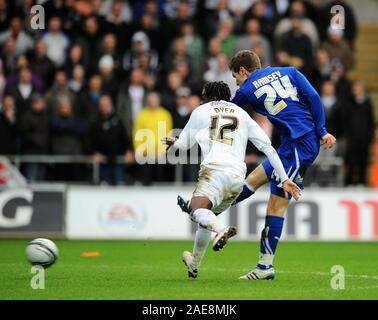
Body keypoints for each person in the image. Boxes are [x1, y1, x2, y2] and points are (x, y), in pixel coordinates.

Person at [163, 81, 300, 279]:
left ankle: (220, 230)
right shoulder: (241, 114)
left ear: (209, 96)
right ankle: (194, 263)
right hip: (237, 177)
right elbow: (268, 148)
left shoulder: (201, 111)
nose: (201, 98)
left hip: (214, 171)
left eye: (203, 94)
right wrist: (285, 178)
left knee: (196, 210)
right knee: (206, 216)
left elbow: (184, 144)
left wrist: (174, 143)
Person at [227, 50, 336, 280]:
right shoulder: (290, 72)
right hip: (296, 143)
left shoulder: (246, 89)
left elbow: (228, 112)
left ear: (244, 71)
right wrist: (322, 130)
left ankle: (264, 267)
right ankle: (210, 211)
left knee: (275, 207)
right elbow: (314, 97)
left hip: (299, 145)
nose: (236, 81)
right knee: (252, 180)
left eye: (236, 76)